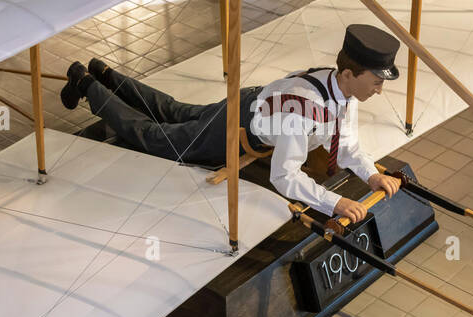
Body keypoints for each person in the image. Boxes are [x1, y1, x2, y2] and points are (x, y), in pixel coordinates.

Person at [61, 24, 403, 223]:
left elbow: (345, 144)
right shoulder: (305, 110)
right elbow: (284, 176)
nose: (380, 88)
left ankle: (105, 73)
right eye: (376, 80)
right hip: (240, 124)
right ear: (348, 74)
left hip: (252, 102)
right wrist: (334, 203)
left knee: (176, 111)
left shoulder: (343, 90)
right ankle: (86, 83)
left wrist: (370, 174)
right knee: (157, 138)